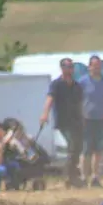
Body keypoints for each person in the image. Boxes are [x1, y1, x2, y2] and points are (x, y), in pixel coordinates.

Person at [40, 58, 84, 188]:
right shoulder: (56, 84)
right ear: (62, 68)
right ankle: (69, 177)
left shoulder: (77, 86)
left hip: (77, 121)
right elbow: (50, 99)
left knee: (78, 148)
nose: (69, 69)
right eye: (67, 66)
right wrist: (45, 114)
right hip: (64, 121)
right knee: (72, 145)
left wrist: (84, 117)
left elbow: (81, 104)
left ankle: (72, 175)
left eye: (71, 67)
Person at [79, 55, 103, 188]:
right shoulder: (83, 82)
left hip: (101, 120)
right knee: (86, 150)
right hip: (87, 120)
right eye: (94, 65)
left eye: (99, 65)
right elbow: (77, 100)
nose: (97, 68)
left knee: (98, 150)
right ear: (89, 66)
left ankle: (95, 177)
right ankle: (84, 177)